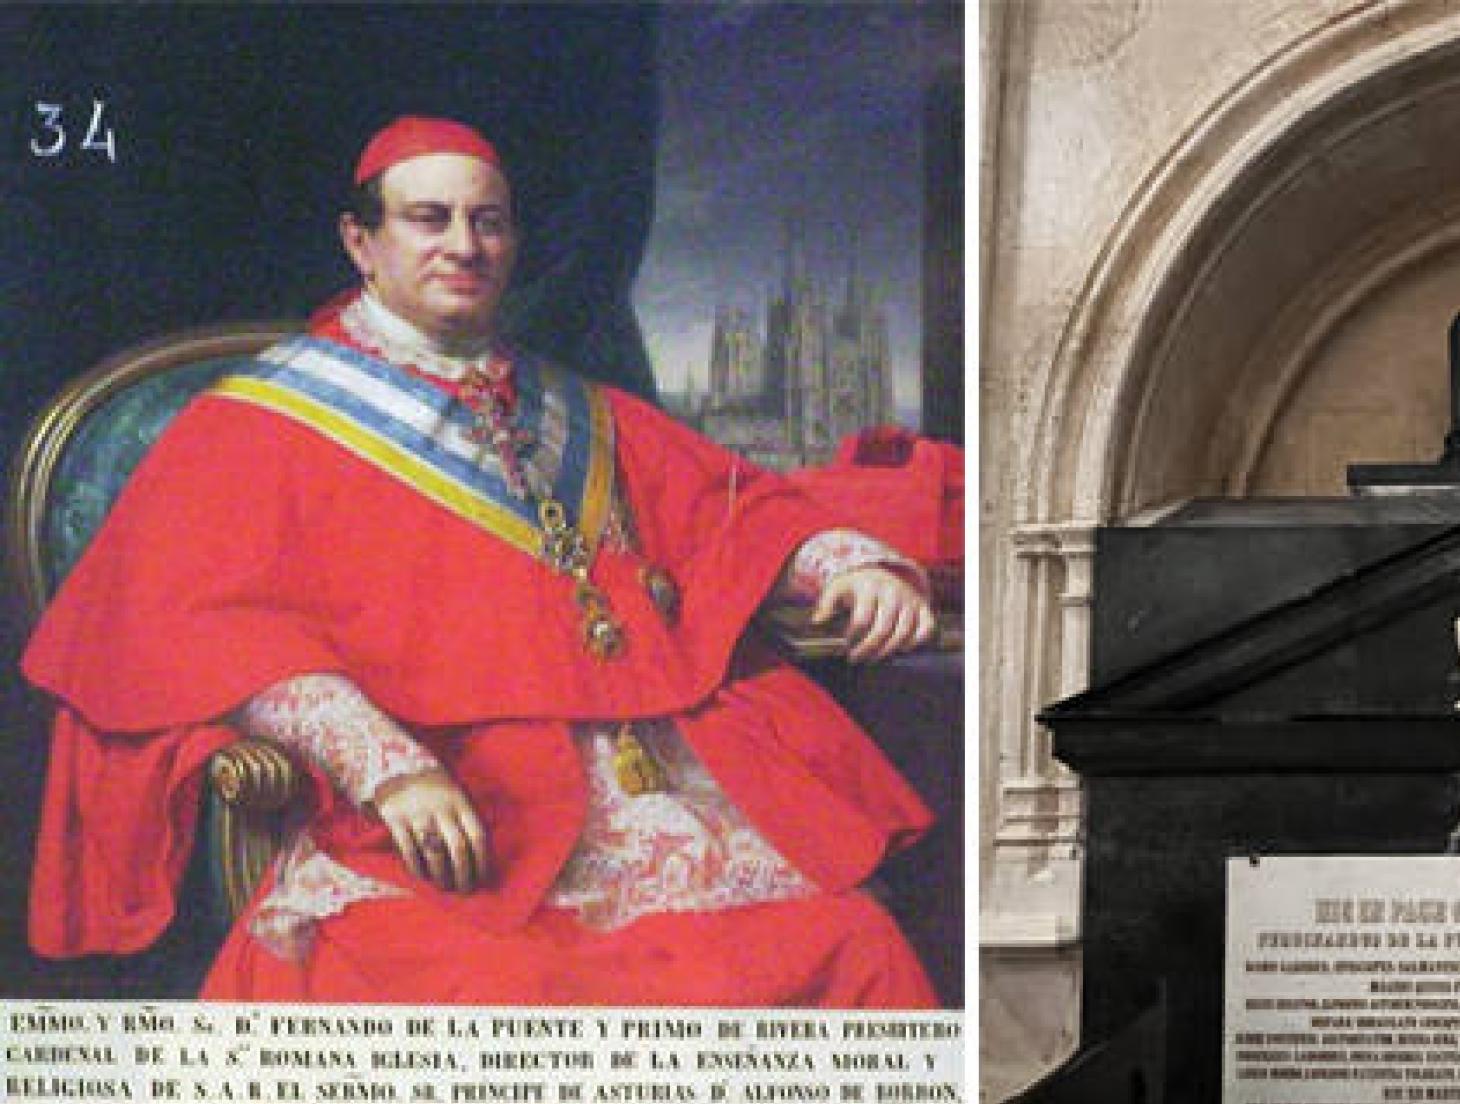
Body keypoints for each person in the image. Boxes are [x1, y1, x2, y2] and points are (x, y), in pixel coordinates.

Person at [21, 116, 945, 1007]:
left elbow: (722, 504)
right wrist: (387, 767)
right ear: (360, 241)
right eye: (429, 219)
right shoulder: (260, 421)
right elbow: (204, 626)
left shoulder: (566, 406)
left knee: (852, 942)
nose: (464, 244)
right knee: (506, 990)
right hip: (437, 807)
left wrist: (844, 562)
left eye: (487, 221)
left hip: (632, 795)